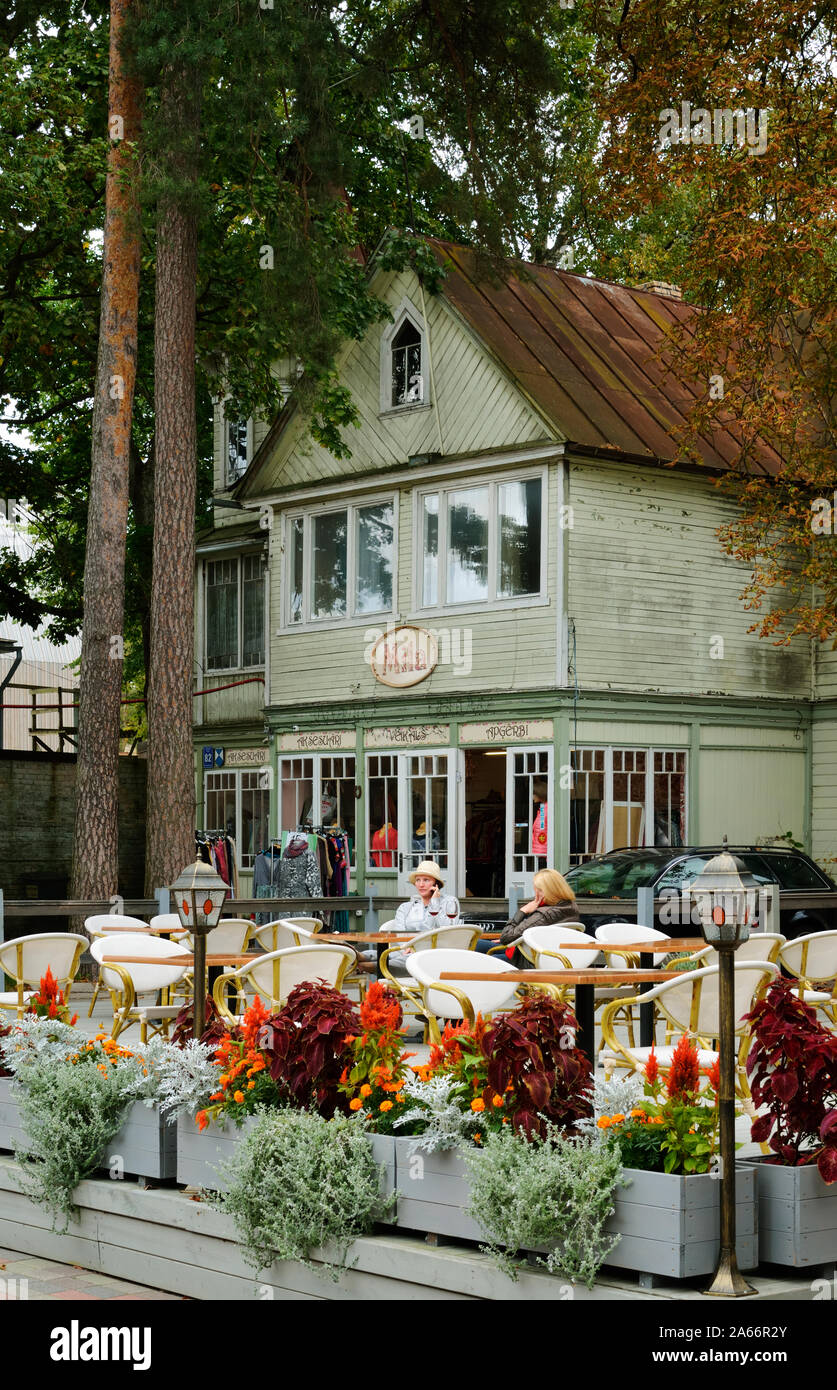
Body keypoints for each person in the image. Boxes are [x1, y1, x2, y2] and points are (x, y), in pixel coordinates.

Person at [386, 860, 460, 976]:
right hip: (406, 950)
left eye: (426, 880)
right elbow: (399, 934)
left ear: (436, 884)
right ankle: (361, 957)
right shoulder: (406, 907)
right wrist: (405, 948)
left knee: (402, 959)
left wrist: (434, 903)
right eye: (418, 880)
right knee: (383, 954)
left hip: (434, 953)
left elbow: (447, 930)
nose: (421, 885)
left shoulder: (450, 902)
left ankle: (372, 966)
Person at [499, 868, 581, 967]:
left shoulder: (544, 914)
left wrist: (523, 911)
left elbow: (506, 937)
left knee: (481, 948)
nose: (536, 894)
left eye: (538, 890)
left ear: (548, 891)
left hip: (529, 960)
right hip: (549, 957)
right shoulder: (570, 908)